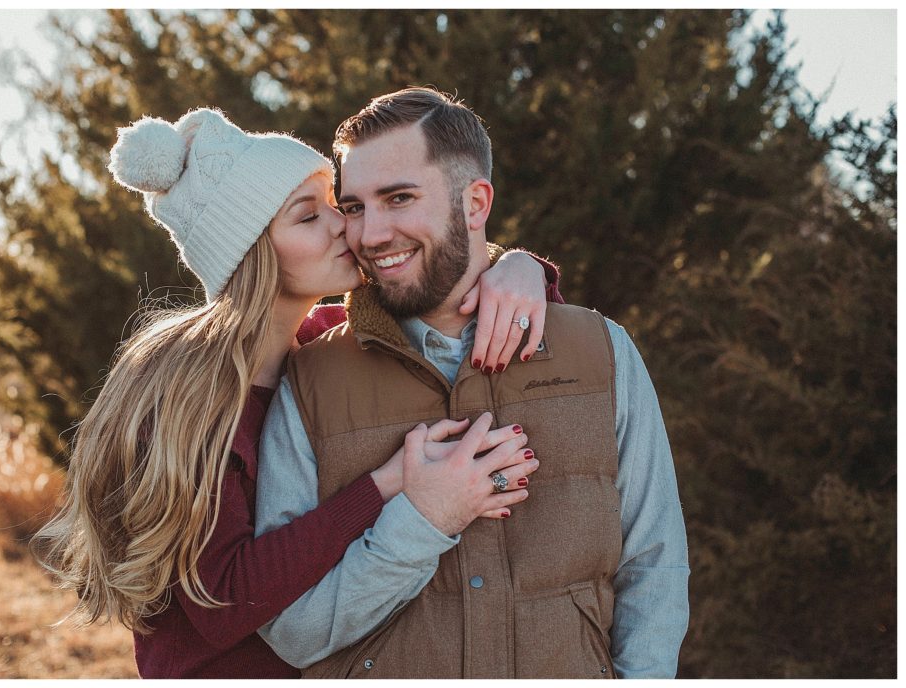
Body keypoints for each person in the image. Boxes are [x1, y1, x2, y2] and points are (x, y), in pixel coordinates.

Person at [31, 105, 563, 678]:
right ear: (253, 251)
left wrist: (520, 269)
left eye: (337, 206)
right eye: (309, 217)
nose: (345, 226)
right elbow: (225, 599)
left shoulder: (320, 343)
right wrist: (390, 484)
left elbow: (445, 293)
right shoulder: (188, 397)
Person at [255, 87, 690, 679]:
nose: (371, 234)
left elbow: (655, 566)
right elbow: (290, 633)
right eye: (354, 207)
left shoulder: (603, 353)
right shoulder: (308, 380)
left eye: (399, 198)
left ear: (475, 202)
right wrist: (419, 523)